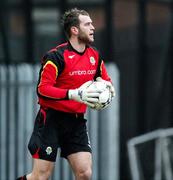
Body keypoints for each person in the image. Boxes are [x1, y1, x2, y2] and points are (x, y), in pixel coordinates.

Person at [17, 8, 115, 180]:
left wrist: (108, 88)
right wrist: (73, 94)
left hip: (76, 121)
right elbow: (42, 89)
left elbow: (105, 80)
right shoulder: (56, 56)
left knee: (85, 173)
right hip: (51, 120)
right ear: (74, 30)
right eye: (87, 24)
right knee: (40, 176)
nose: (93, 27)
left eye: (92, 23)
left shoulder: (94, 55)